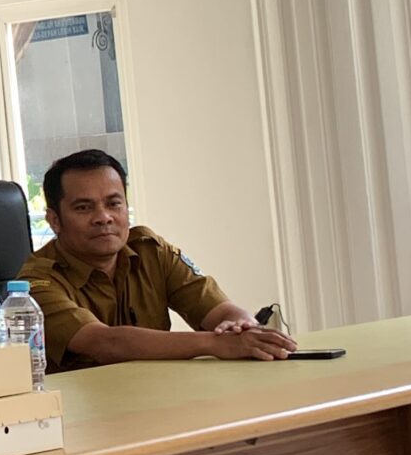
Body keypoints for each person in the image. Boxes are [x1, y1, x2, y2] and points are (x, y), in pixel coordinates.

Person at [19, 150, 295, 369]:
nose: (103, 217)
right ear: (54, 220)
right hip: (77, 413)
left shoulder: (150, 251)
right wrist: (215, 344)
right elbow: (104, 342)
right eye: (83, 207)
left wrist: (241, 327)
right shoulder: (35, 281)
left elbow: (218, 310)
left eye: (114, 204)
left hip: (159, 396)